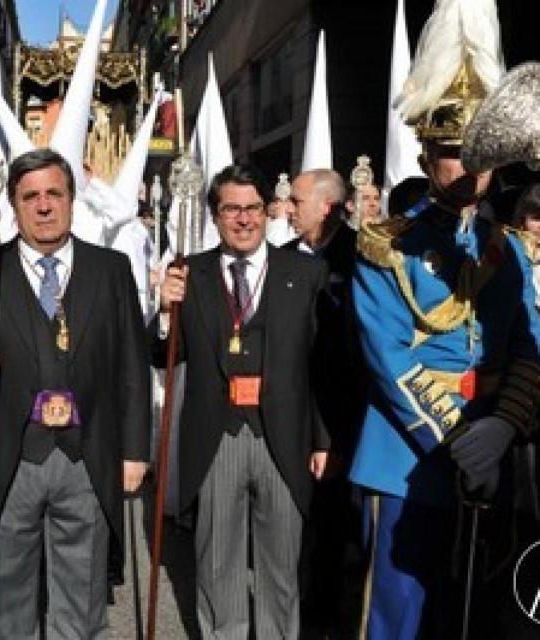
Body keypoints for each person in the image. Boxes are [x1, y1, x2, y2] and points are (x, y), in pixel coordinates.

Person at [351, 3, 540, 636]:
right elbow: (390, 358)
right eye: (456, 153)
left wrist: (505, 427)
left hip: (489, 455)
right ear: (429, 155)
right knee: (398, 620)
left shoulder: (509, 249)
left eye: (481, 155)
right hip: (409, 458)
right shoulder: (387, 244)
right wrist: (461, 441)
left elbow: (528, 347)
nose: (471, 169)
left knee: (472, 621)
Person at [0, 148, 150, 638]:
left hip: (89, 455)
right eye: (30, 196)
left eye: (54, 193)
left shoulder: (110, 269)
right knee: (7, 596)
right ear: (14, 205)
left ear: (72, 200)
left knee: (84, 598)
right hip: (10, 456)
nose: (44, 206)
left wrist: (135, 451)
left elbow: (132, 366)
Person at [157, 164, 330, 638]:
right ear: (215, 215)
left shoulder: (307, 273)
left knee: (281, 567)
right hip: (218, 437)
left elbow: (323, 367)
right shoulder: (188, 273)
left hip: (285, 437)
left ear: (267, 212)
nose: (244, 219)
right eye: (232, 209)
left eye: (253, 208)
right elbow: (162, 356)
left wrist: (322, 439)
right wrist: (164, 314)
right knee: (218, 566)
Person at [285, 168, 367, 634]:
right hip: (291, 416)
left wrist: (331, 434)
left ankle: (327, 621)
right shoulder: (284, 258)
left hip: (341, 421)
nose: (288, 208)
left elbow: (350, 360)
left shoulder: (362, 260)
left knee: (336, 534)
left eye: (296, 201)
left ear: (327, 207)